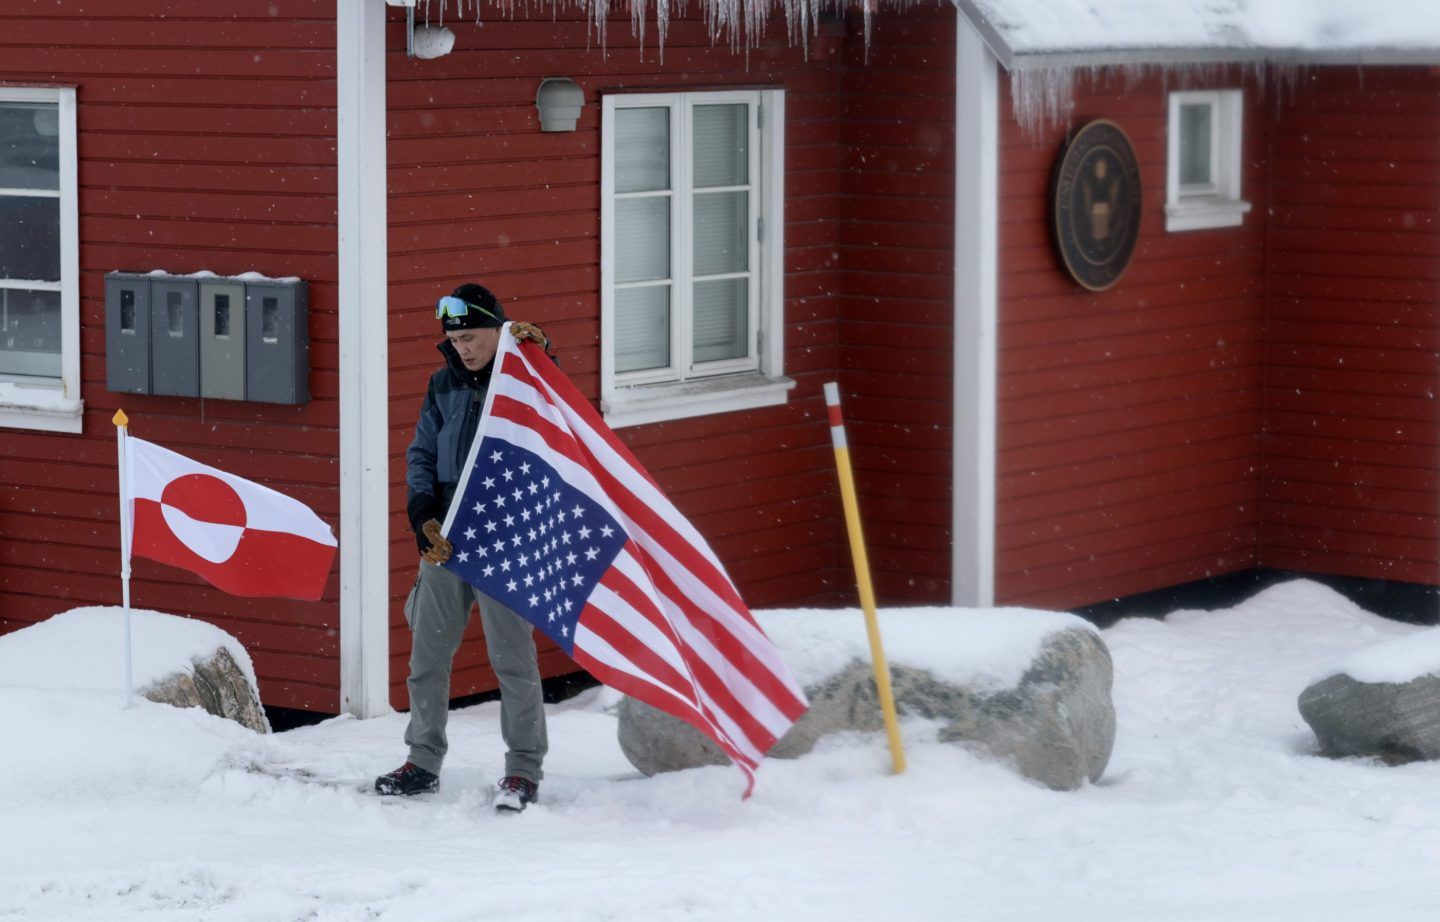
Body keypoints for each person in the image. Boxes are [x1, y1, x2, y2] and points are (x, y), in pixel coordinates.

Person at [375, 283, 551, 813]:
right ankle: (422, 762)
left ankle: (523, 771)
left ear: (498, 331)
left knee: (512, 662)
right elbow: (421, 452)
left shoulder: (522, 375)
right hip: (447, 533)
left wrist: (539, 352)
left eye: (471, 337)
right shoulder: (441, 384)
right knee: (426, 659)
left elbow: (555, 405)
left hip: (504, 535)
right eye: (454, 340)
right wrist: (422, 515)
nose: (463, 348)